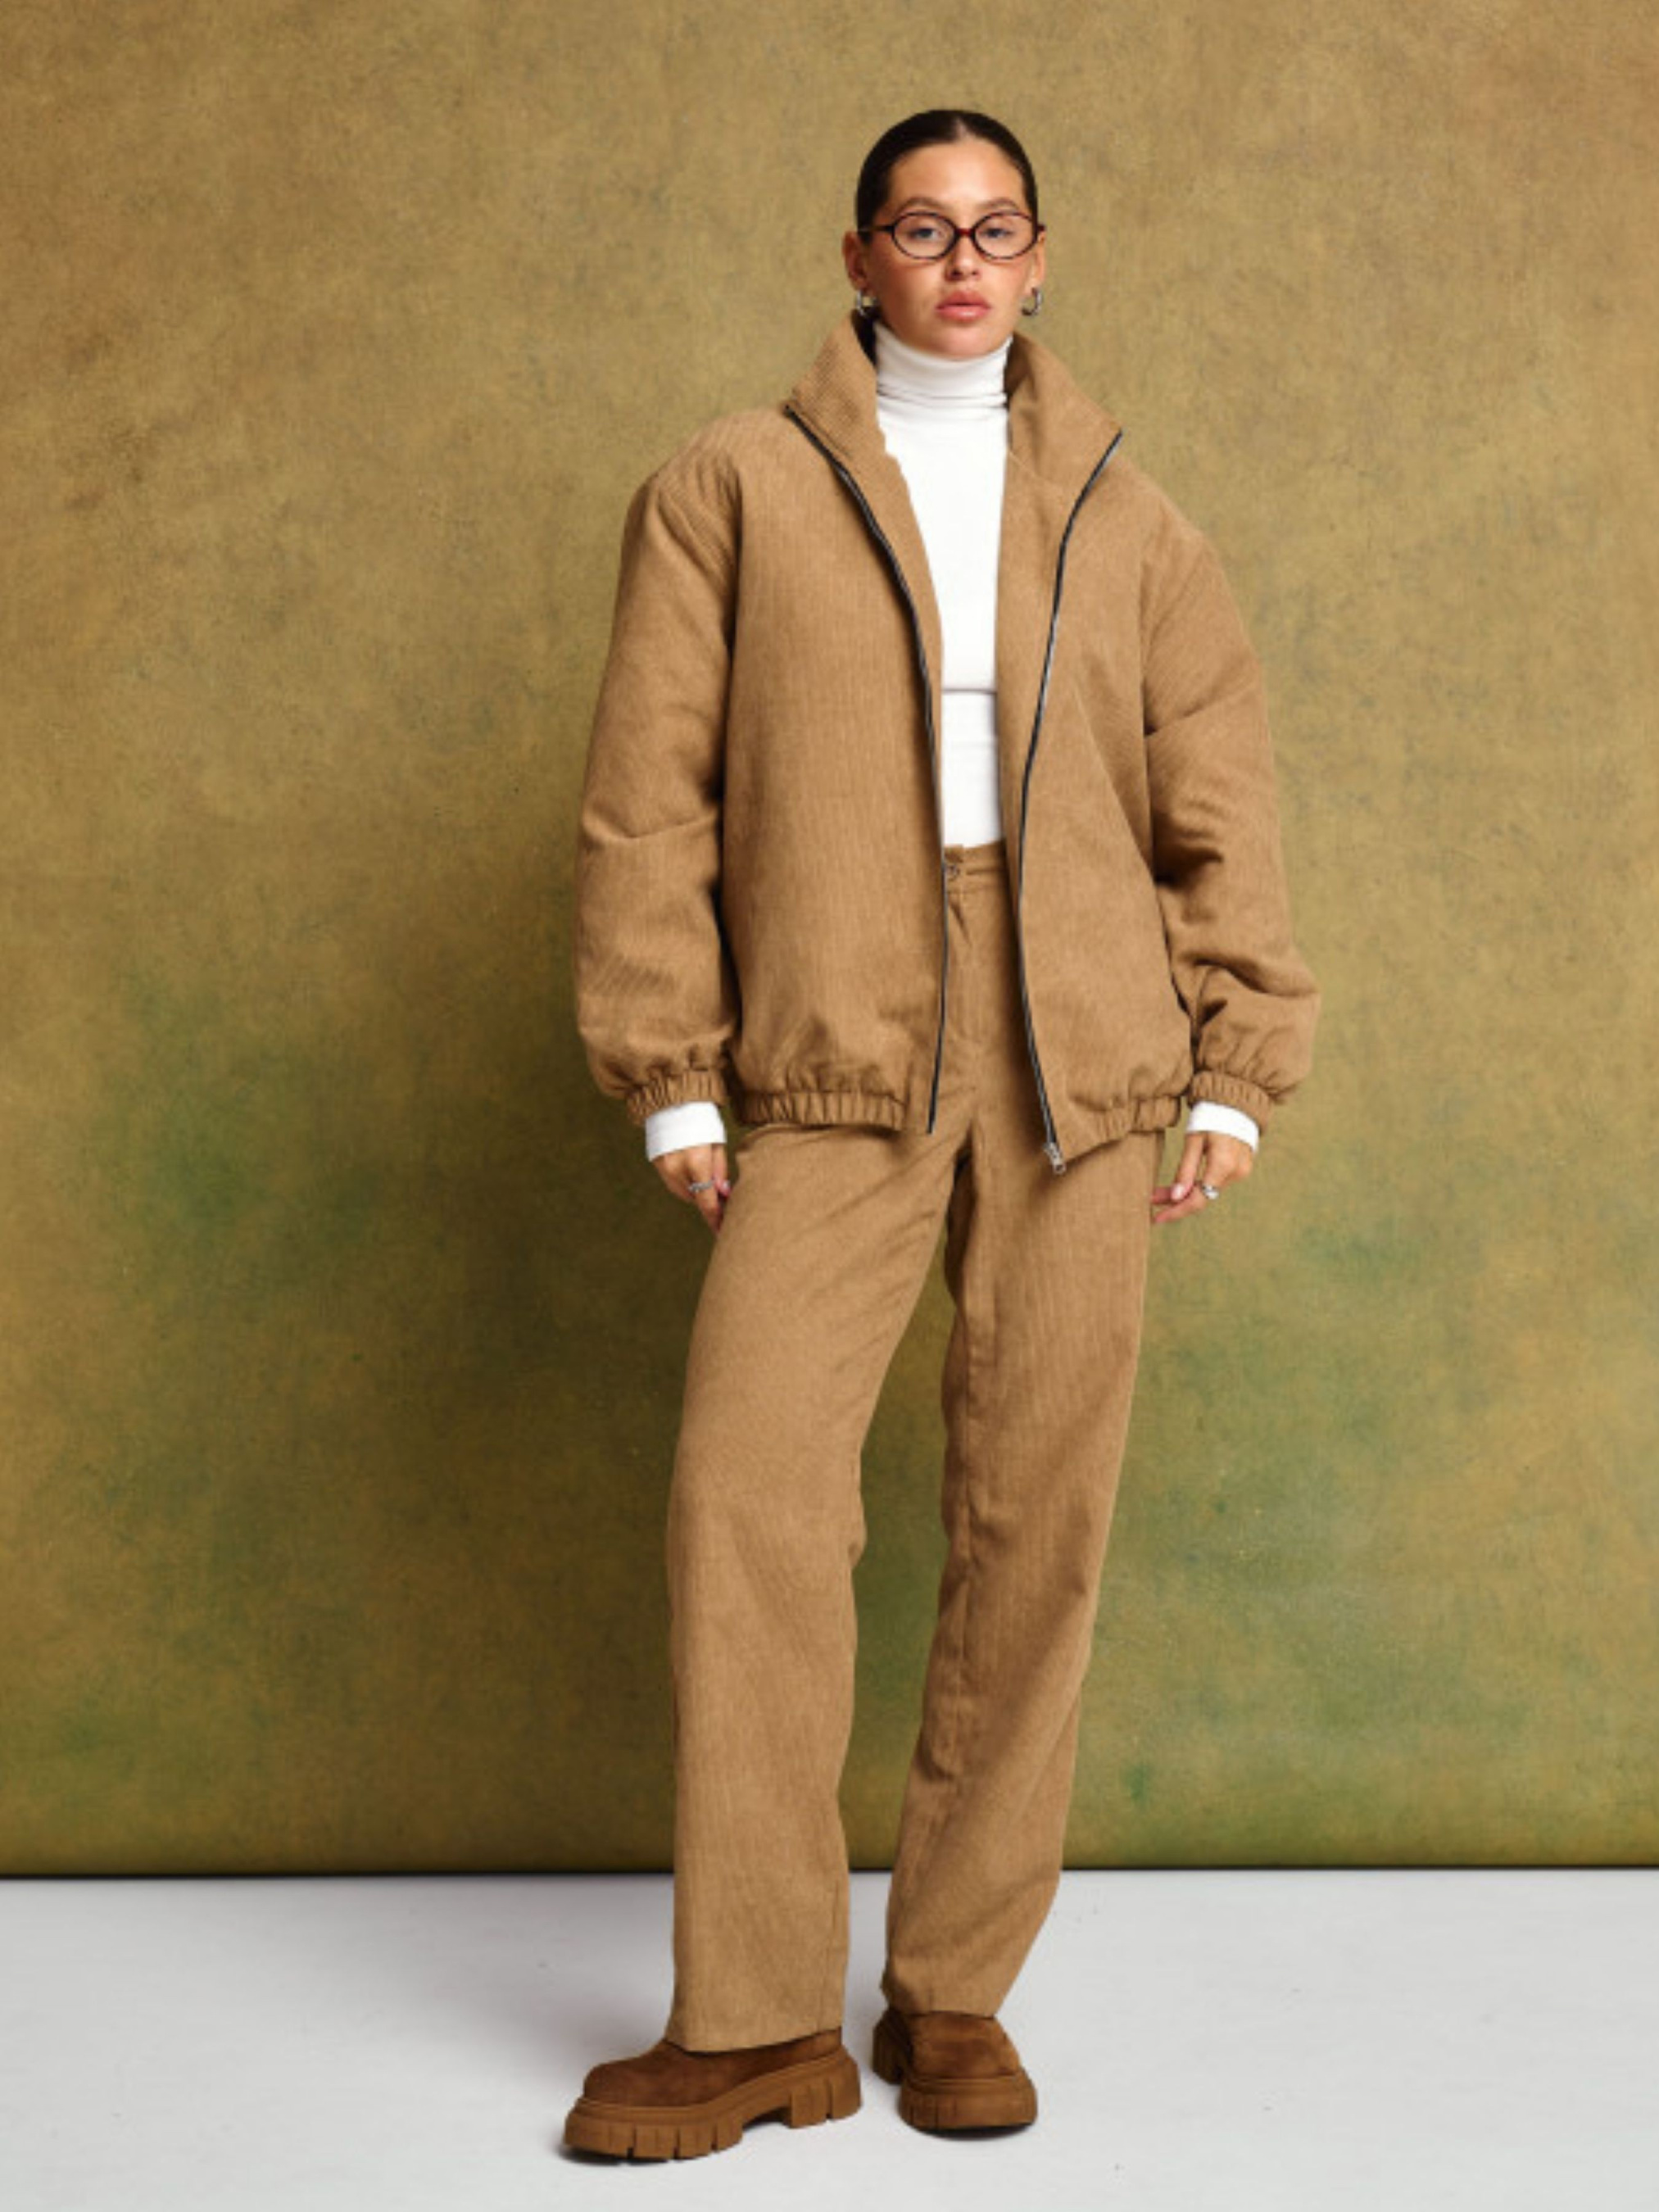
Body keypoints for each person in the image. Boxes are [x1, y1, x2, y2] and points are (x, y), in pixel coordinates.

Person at [564, 108, 1319, 2162]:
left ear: (1039, 257)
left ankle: (951, 1992)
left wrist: (1233, 1062)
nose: (961, 262)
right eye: (922, 226)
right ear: (858, 257)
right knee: (746, 1496)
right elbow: (648, 797)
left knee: (1034, 1517)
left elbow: (1217, 794)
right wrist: (672, 1066)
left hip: (1087, 1047)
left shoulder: (1131, 516)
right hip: (833, 1033)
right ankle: (750, 2022)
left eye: (994, 230)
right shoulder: (730, 486)